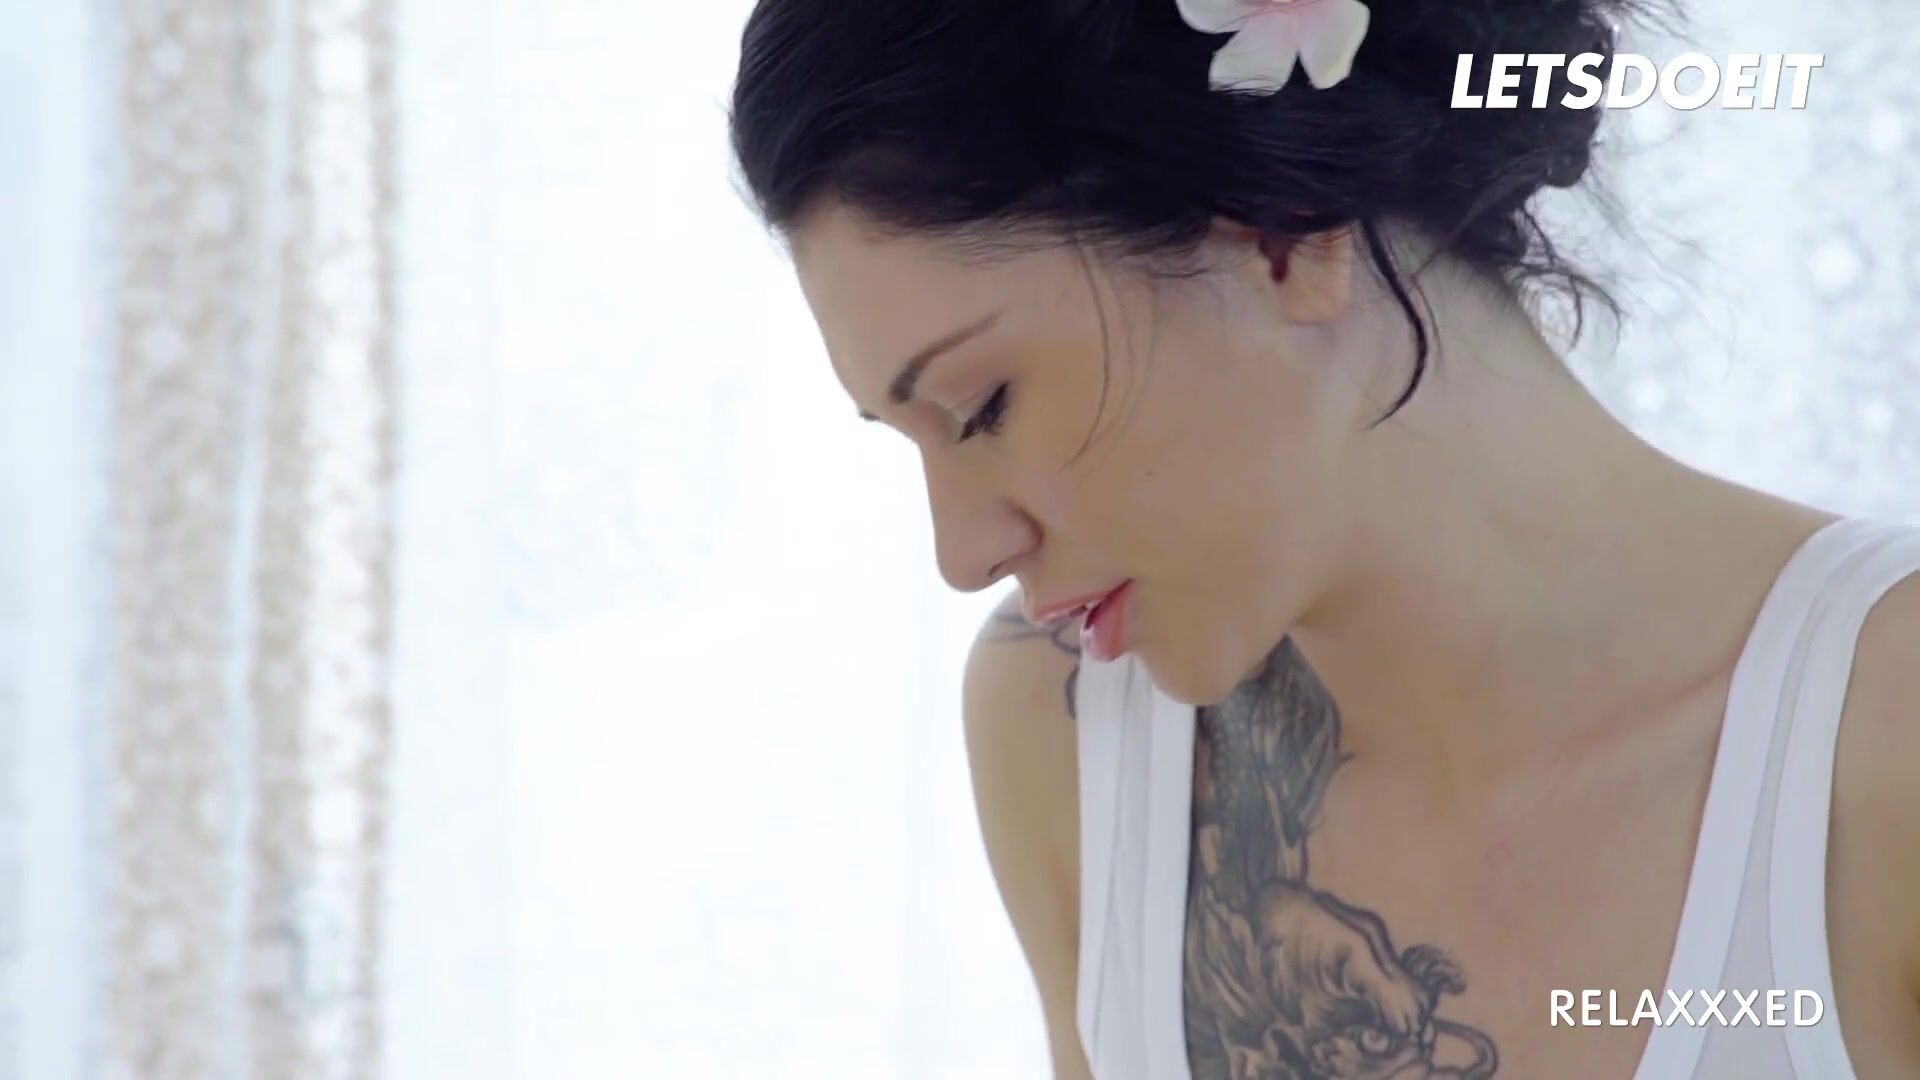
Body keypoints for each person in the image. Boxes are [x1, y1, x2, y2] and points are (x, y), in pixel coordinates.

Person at [728, 0, 1920, 1076]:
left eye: (983, 407)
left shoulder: (1886, 736)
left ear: (1284, 234)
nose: (964, 552)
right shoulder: (1065, 725)